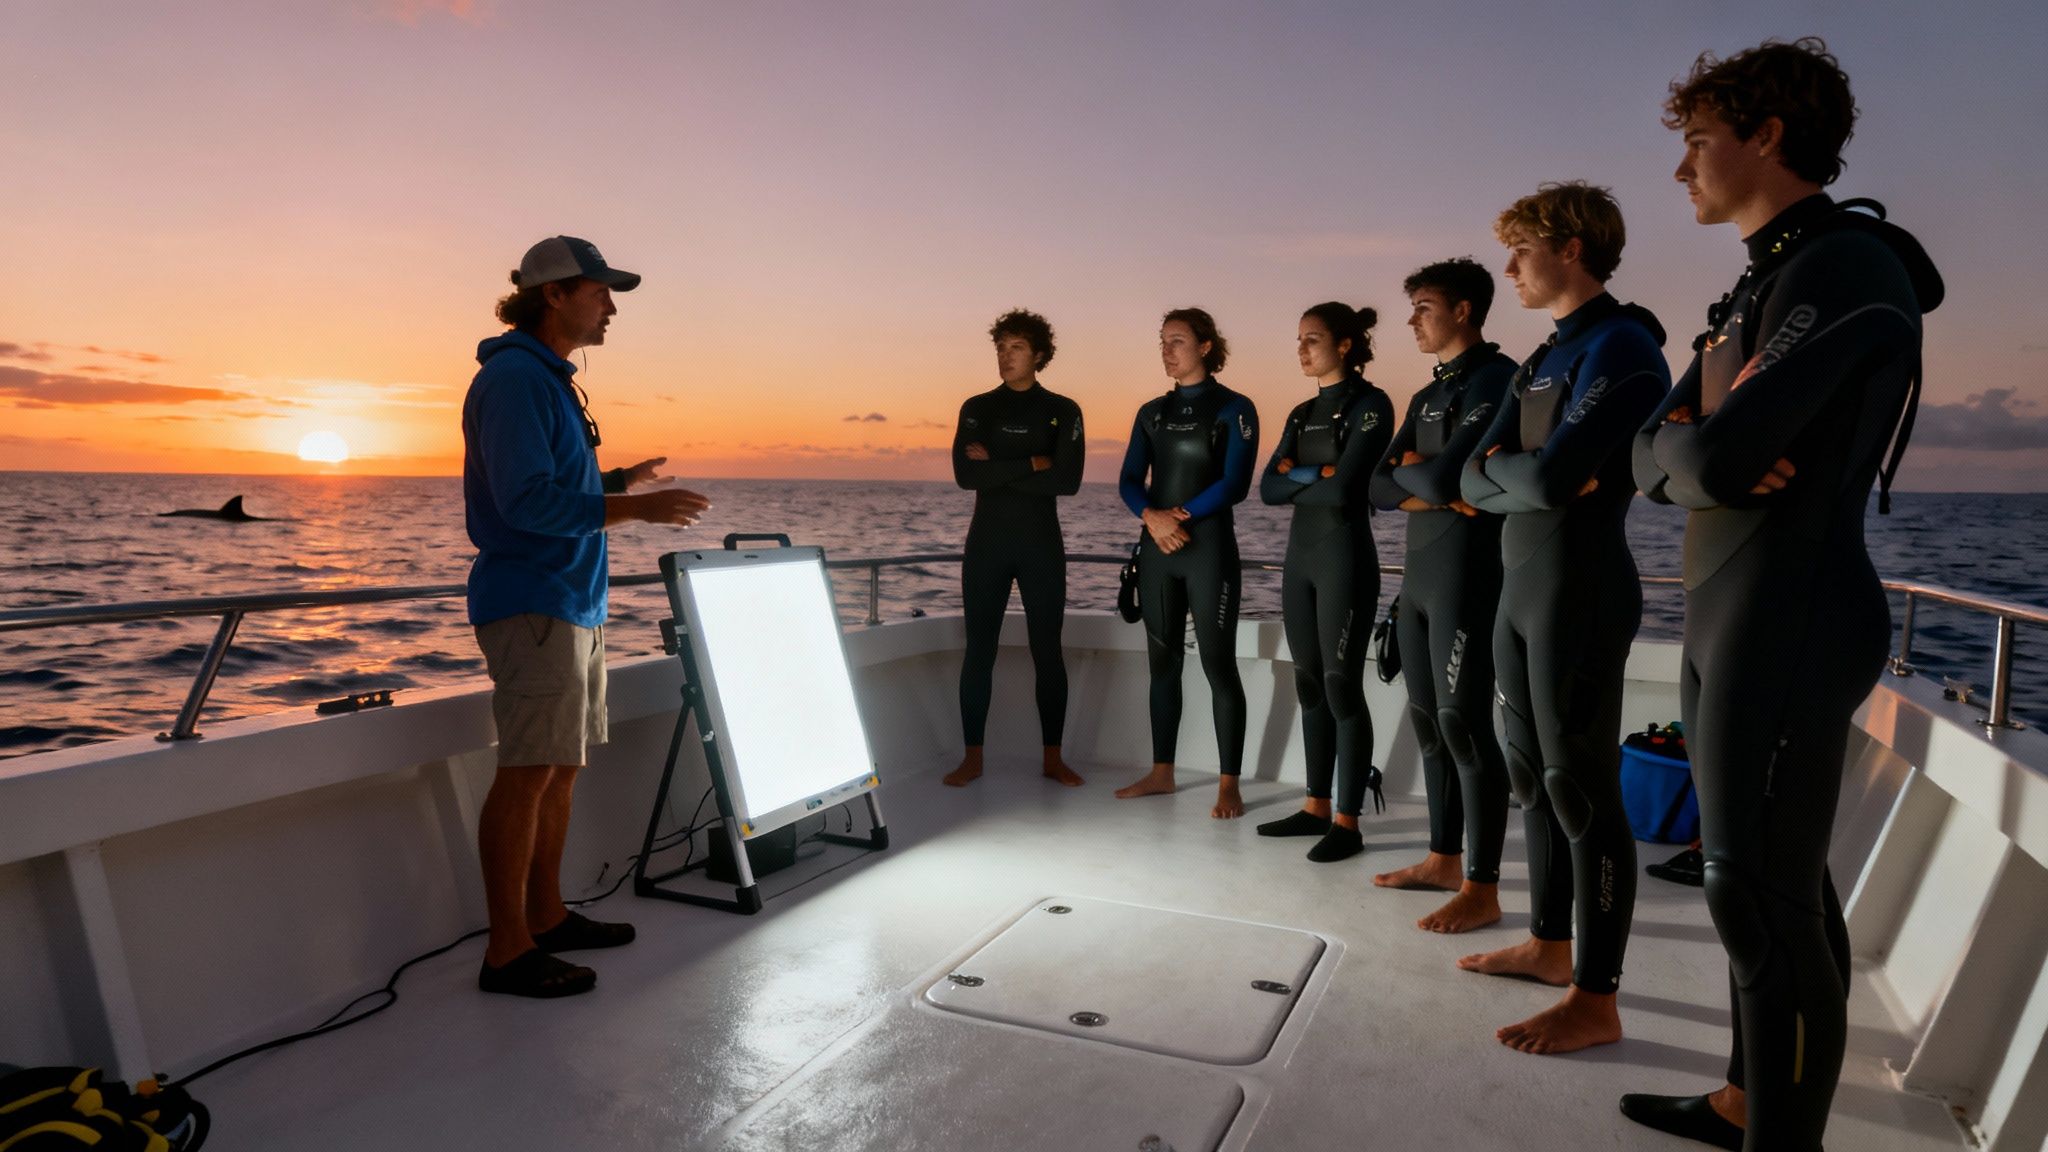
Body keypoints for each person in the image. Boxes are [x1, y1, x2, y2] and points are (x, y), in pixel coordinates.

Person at [1622, 39, 1942, 1151]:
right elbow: (1646, 455)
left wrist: (1688, 451)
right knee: (1771, 885)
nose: (1681, 171)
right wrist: (1686, 449)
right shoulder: (1755, 284)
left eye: (1696, 143)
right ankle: (1743, 1097)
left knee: (1752, 898)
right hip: (1730, 607)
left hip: (1793, 611)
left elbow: (1702, 465)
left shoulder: (1844, 269)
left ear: (1764, 135)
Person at [463, 236, 712, 998]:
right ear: (555, 294)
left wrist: (614, 480)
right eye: (601, 292)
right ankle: (507, 950)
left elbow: (554, 482)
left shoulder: (549, 381)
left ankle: (546, 916)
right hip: (534, 600)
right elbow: (524, 502)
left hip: (572, 599)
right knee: (528, 770)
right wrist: (633, 508)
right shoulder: (513, 380)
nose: (611, 307)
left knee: (561, 767)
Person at [1458, 183, 1671, 1053]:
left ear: (1571, 248)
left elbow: (1537, 484)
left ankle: (1597, 994)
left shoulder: (1623, 349)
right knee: (1528, 773)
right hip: (1519, 593)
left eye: (1522, 250)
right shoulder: (1544, 357)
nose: (1509, 267)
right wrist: (1526, 470)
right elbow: (1467, 480)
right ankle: (1549, 945)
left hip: (1578, 592)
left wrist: (1524, 471)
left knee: (1580, 790)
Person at [1366, 258, 1518, 930]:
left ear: (1463, 309)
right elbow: (1375, 483)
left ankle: (1482, 886)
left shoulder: (1495, 379)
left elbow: (1453, 475)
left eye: (1424, 306)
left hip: (1469, 579)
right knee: (1428, 725)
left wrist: (1418, 477)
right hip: (1421, 579)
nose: (1412, 320)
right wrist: (1423, 485)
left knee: (1466, 727)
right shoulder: (1429, 394)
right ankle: (1442, 858)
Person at [1256, 303, 1394, 861]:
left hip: (1344, 558)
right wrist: (1321, 472)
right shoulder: (1300, 412)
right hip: (1299, 560)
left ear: (1344, 345)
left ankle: (1348, 820)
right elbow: (1266, 488)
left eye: (1312, 339)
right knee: (1309, 682)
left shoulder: (1370, 405)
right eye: (1298, 338)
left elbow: (1345, 494)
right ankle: (1315, 806)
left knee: (1340, 685)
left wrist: (1300, 476)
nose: (1301, 348)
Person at [1115, 308, 1259, 819]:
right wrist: (1152, 518)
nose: (1166, 349)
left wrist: (1181, 516)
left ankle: (1228, 784)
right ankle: (1161, 772)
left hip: (1208, 550)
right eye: (1162, 341)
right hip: (1158, 550)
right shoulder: (1151, 413)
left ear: (1205, 346)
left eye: (1177, 340)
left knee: (1219, 666)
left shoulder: (1234, 408)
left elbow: (1236, 483)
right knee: (1163, 665)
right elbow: (1130, 479)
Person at [946, 309, 1086, 788]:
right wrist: (1032, 461)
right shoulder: (978, 407)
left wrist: (999, 465)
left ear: (1040, 355)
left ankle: (1053, 758)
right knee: (978, 651)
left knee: (1047, 650)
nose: (1005, 356)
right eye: (1000, 347)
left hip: (1040, 546)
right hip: (987, 543)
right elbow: (967, 476)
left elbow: (1066, 481)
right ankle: (972, 758)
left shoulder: (1064, 410)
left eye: (1016, 348)